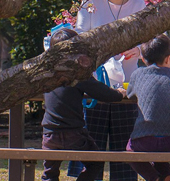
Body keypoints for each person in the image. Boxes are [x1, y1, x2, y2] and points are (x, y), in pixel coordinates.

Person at [71, 0, 146, 181]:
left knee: (124, 148)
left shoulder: (139, 5)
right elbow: (79, 35)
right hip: (96, 83)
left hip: (127, 84)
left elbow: (152, 38)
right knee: (92, 144)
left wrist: (139, 50)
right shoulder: (91, 0)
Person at [41, 28, 127, 181]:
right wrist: (119, 93)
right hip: (73, 132)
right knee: (95, 162)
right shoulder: (77, 73)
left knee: (50, 174)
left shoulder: (47, 73)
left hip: (49, 132)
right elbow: (103, 93)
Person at [125, 34, 170, 181]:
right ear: (168, 58)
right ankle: (166, 176)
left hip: (144, 139)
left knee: (130, 151)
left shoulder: (138, 74)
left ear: (143, 59)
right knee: (160, 147)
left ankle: (155, 178)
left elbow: (130, 94)